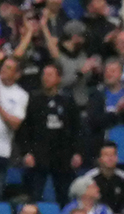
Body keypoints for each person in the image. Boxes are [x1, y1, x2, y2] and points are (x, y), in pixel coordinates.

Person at [19, 63, 81, 205]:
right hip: (38, 156)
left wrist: (77, 152)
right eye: (44, 75)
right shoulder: (33, 100)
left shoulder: (67, 101)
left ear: (58, 78)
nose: (45, 78)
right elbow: (25, 129)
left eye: (50, 75)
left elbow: (77, 128)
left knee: (64, 196)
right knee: (35, 196)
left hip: (63, 157)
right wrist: (26, 152)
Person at [0, 57, 29, 196]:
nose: (4, 69)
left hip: (2, 151)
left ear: (17, 75)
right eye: (4, 66)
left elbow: (15, 124)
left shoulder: (21, 95)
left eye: (9, 68)